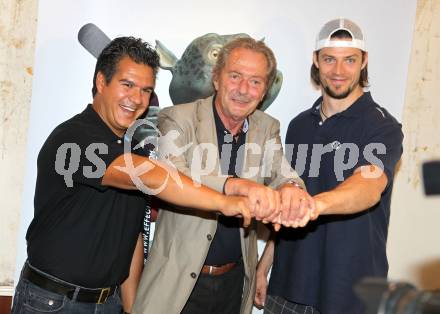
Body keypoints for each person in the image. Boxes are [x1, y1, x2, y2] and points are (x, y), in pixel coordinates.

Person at [12, 36, 254, 314]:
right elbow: (148, 176)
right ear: (101, 82)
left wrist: (131, 307)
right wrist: (225, 200)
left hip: (109, 302)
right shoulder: (74, 139)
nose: (136, 99)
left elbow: (132, 237)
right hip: (51, 302)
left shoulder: (135, 147)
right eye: (127, 85)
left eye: (145, 90)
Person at [132, 37, 315, 314]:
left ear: (265, 89)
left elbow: (282, 172)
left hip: (233, 285)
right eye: (235, 76)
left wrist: (291, 187)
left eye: (255, 81)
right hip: (176, 284)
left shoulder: (267, 127)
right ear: (216, 78)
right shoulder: (178, 117)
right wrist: (235, 185)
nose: (243, 89)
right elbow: (172, 173)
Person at [255, 18, 404, 314]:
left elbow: (368, 186)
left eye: (349, 60)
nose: (338, 71)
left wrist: (312, 206)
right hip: (287, 287)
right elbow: (290, 196)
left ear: (364, 62)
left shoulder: (383, 127)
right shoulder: (299, 125)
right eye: (329, 60)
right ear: (316, 61)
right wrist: (264, 266)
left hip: (349, 294)